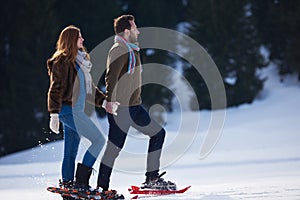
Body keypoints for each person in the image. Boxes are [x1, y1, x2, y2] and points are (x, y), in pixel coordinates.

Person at [97, 15, 176, 192]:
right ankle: (102, 189)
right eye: (134, 28)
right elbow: (111, 77)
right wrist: (110, 102)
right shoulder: (118, 49)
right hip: (121, 109)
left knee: (158, 134)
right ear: (126, 31)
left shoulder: (131, 49)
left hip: (135, 107)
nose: (138, 31)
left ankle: (152, 179)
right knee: (114, 149)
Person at [46, 25, 120, 197]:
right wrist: (54, 114)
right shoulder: (62, 61)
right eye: (79, 37)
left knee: (70, 151)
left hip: (75, 111)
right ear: (72, 39)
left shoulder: (78, 61)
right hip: (68, 111)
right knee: (98, 140)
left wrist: (104, 103)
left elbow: (89, 90)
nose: (83, 39)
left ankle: (68, 186)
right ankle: (81, 183)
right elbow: (55, 88)